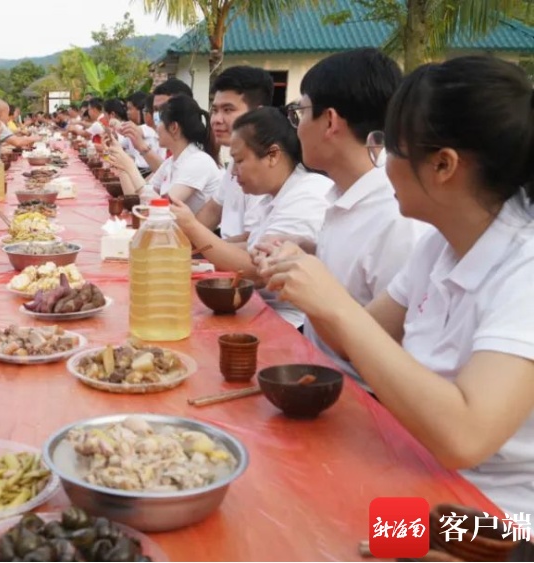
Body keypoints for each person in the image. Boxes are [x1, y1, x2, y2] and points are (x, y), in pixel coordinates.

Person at [257, 56, 534, 515]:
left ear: (444, 164)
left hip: (500, 525)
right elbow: (359, 340)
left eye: (391, 148)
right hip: (421, 473)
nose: (382, 163)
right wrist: (307, 287)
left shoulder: (523, 270)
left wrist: (335, 305)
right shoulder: (440, 246)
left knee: (334, 529)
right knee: (275, 489)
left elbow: (464, 436)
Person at [256, 48, 426, 385]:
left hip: (360, 396)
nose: (297, 127)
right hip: (315, 366)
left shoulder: (397, 215)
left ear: (330, 121)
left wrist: (305, 285)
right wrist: (307, 251)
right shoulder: (340, 196)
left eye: (300, 112)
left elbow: (381, 346)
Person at [171, 107, 331, 327]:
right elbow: (252, 245)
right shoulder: (272, 195)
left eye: (239, 161)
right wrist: (195, 251)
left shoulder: (307, 195)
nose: (234, 172)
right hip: (262, 309)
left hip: (292, 325)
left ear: (273, 155)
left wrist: (192, 228)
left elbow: (257, 271)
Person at [194, 66, 275, 239]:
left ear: (258, 114)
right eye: (214, 110)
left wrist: (204, 247)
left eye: (228, 110)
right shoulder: (235, 159)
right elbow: (213, 210)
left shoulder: (266, 165)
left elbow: (252, 239)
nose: (216, 120)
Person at [106, 94, 221, 215]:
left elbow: (163, 209)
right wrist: (122, 166)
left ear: (174, 127)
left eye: (160, 121)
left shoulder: (198, 162)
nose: (156, 127)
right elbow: (137, 198)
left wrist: (129, 166)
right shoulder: (171, 162)